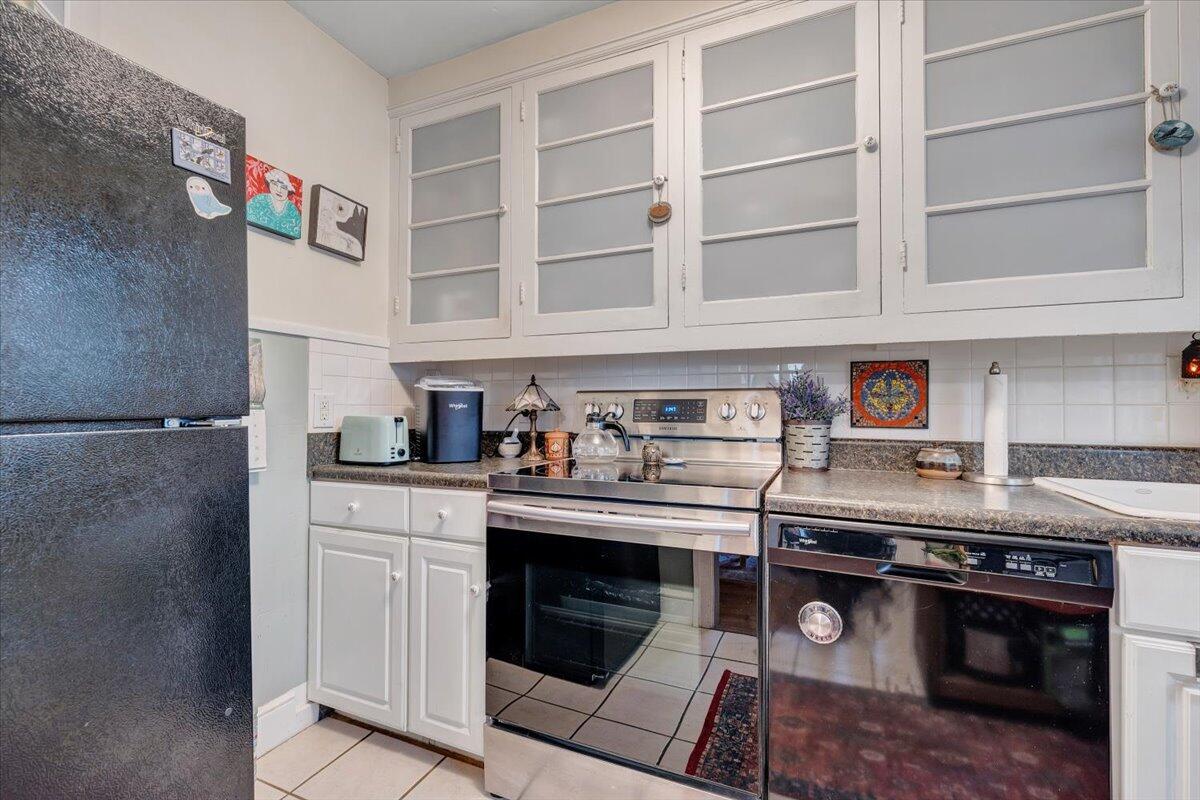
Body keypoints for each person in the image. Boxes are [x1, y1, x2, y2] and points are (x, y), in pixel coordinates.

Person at [247, 167, 301, 238]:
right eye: (275, 184)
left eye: (284, 187)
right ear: (269, 184)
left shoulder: (293, 209)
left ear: (288, 190)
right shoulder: (259, 200)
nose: (279, 190)